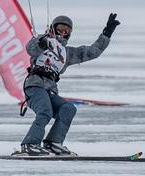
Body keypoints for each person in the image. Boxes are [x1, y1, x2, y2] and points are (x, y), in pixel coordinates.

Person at [19, 13, 120, 156]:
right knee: (45, 112)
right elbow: (31, 49)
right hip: (34, 86)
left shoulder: (67, 53)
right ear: (53, 28)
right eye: (60, 28)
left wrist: (107, 33)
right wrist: (43, 42)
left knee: (68, 108)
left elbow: (93, 51)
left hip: (50, 89)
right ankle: (30, 144)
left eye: (67, 30)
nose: (63, 32)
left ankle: (53, 143)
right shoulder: (42, 41)